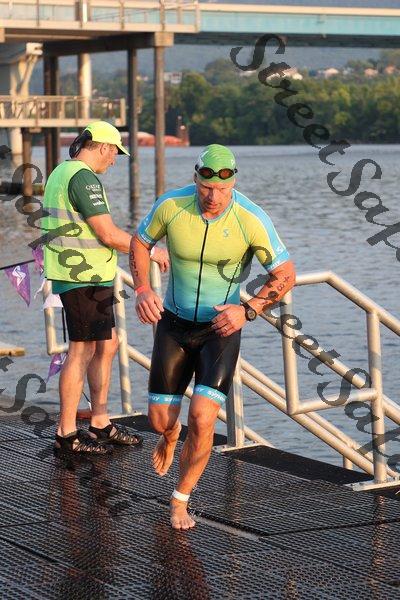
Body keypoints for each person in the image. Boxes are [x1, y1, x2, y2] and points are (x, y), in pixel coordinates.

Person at [130, 144, 295, 529]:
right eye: (206, 188)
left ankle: (180, 500)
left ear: (233, 183)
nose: (213, 197)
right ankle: (171, 435)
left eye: (222, 189)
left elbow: (285, 274)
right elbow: (139, 242)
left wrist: (248, 310)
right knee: (159, 421)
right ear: (196, 179)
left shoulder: (251, 218)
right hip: (173, 325)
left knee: (203, 418)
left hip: (220, 329)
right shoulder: (171, 205)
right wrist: (142, 289)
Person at [42, 121, 169, 455]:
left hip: (88, 274)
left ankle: (99, 421)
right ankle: (66, 433)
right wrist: (150, 251)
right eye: (114, 153)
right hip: (80, 276)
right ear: (102, 147)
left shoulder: (61, 171)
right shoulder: (83, 178)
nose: (113, 160)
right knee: (81, 350)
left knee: (108, 344)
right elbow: (108, 234)